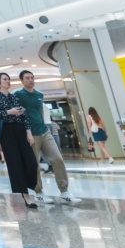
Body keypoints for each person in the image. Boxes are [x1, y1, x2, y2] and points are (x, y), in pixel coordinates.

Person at [14, 71, 81, 204]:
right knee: (35, 164)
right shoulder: (17, 94)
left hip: (44, 131)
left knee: (57, 158)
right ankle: (38, 192)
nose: (31, 80)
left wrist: (46, 124)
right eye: (27, 78)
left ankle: (64, 192)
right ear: (22, 80)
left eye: (32, 77)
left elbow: (40, 112)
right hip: (30, 134)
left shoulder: (39, 94)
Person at [0, 72, 39, 208]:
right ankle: (25, 195)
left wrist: (28, 132)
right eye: (5, 79)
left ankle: (29, 186)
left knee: (31, 162)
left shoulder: (14, 96)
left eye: (9, 79)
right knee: (15, 163)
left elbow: (24, 115)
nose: (8, 81)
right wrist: (8, 112)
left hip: (20, 130)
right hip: (6, 131)